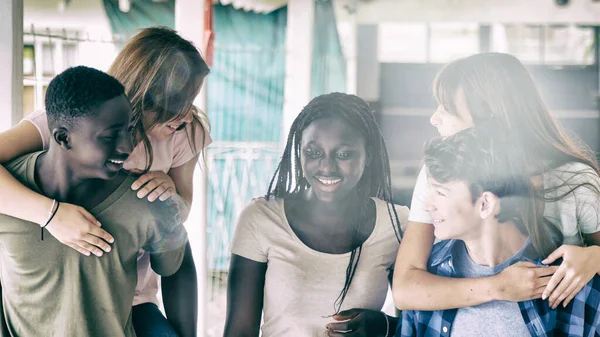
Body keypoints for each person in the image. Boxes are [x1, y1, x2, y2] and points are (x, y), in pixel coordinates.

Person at [0, 27, 211, 337]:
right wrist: (51, 215)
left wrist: (169, 196)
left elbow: (180, 214)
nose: (188, 114)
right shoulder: (67, 121)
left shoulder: (186, 131)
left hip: (135, 291)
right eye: (182, 99)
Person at [392, 52, 600, 312]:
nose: (434, 118)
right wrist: (498, 287)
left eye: (446, 107)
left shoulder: (575, 179)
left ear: (488, 115)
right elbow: (404, 290)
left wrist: (595, 257)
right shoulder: (434, 176)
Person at [223, 92, 409, 337]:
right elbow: (239, 332)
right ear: (298, 151)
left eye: (343, 154)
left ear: (368, 157)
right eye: (313, 152)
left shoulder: (397, 224)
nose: (326, 166)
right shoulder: (261, 219)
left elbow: (419, 325)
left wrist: (384, 326)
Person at [398, 126, 600, 337]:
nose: (428, 204)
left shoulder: (571, 282)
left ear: (485, 204)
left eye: (440, 192)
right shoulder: (426, 279)